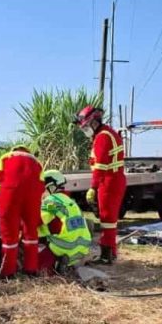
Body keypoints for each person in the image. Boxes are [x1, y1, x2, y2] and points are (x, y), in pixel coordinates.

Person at [75, 106, 126, 265]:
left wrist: (93, 187)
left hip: (108, 181)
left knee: (106, 219)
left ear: (93, 123)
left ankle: (106, 256)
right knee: (110, 219)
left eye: (85, 127)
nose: (85, 130)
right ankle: (111, 252)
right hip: (114, 179)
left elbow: (101, 166)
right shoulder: (109, 133)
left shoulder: (102, 137)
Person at [0, 145, 44, 279]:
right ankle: (31, 270)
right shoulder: (37, 162)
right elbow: (42, 186)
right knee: (31, 234)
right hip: (33, 198)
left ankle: (8, 273)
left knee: (9, 236)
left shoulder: (5, 157)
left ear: (14, 149)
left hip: (10, 194)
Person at [38, 170, 93, 275]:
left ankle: (57, 266)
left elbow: (36, 221)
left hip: (64, 247)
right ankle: (68, 266)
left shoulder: (50, 201)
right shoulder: (70, 201)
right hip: (81, 248)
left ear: (51, 187)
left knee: (37, 268)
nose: (42, 193)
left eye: (43, 189)